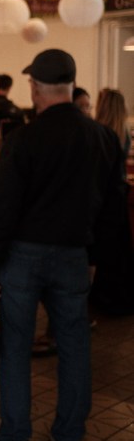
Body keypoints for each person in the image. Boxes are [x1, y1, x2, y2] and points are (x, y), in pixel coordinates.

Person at [0, 49, 122, 441]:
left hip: (23, 256)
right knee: (75, 347)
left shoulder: (25, 138)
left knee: (16, 347)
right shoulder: (102, 138)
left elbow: (3, 207)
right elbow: (112, 209)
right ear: (71, 85)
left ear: (37, 88)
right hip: (76, 255)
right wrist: (96, 258)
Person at [91, 88, 134, 315]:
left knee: (101, 251)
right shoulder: (123, 132)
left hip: (103, 198)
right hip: (118, 196)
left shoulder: (100, 133)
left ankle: (102, 296)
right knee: (118, 251)